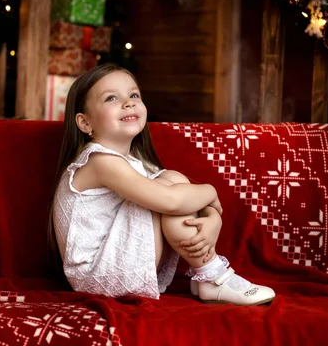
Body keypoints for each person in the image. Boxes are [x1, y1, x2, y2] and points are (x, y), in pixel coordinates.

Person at [48, 63, 275, 306]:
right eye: (111, 98)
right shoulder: (99, 161)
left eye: (134, 95)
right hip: (99, 275)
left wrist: (213, 218)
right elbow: (171, 201)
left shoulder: (133, 161)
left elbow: (180, 193)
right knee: (168, 189)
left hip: (117, 263)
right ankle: (213, 276)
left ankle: (206, 274)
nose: (128, 102)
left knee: (172, 179)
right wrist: (211, 191)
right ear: (84, 123)